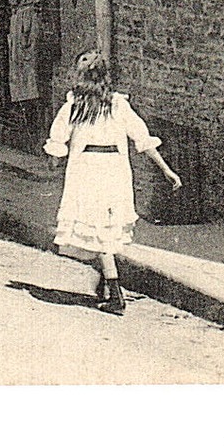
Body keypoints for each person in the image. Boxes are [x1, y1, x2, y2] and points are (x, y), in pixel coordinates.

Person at [44, 50, 181, 315]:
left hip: (86, 170)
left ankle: (116, 295)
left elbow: (58, 139)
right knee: (105, 229)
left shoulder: (74, 105)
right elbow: (142, 137)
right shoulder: (118, 104)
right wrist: (166, 170)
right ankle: (106, 282)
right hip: (115, 170)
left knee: (98, 233)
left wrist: (54, 160)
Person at [6, 0, 42, 142]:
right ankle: (21, 101)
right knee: (17, 63)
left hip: (27, 21)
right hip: (17, 21)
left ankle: (31, 102)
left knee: (28, 61)